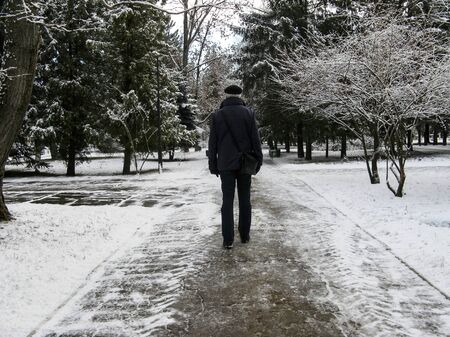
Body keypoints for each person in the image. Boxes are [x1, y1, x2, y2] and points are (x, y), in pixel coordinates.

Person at [208, 84, 263, 249]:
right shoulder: (249, 113)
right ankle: (245, 235)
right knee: (245, 200)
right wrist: (258, 160)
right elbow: (256, 140)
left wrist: (213, 164)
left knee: (227, 201)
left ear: (225, 96)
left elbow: (213, 144)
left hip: (225, 164)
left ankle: (228, 239)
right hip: (245, 163)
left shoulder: (217, 116)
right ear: (240, 95)